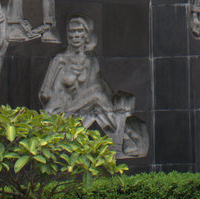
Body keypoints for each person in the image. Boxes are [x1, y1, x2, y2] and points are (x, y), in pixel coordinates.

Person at [39, 13, 148, 158]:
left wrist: (117, 101)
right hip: (59, 109)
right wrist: (61, 98)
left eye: (79, 31)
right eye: (72, 31)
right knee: (97, 94)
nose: (75, 35)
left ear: (87, 34)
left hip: (83, 106)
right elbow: (44, 93)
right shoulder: (60, 59)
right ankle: (126, 133)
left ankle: (122, 137)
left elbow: (101, 84)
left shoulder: (91, 58)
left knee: (99, 104)